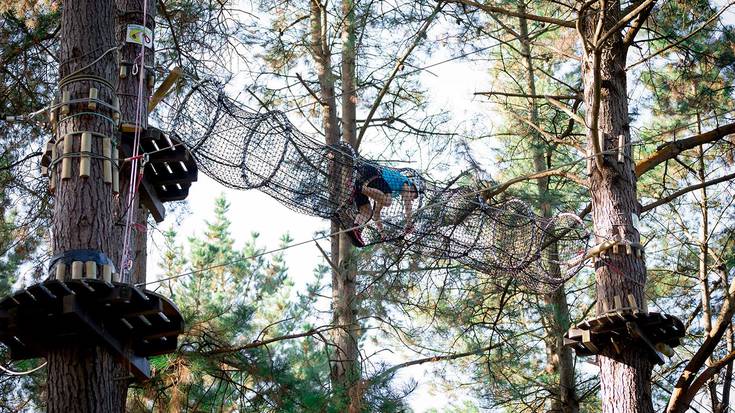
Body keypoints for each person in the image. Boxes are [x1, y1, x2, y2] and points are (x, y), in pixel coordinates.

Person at [348, 162, 418, 246]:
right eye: (413, 196)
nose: (411, 199)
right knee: (388, 201)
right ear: (413, 188)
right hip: (374, 174)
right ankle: (358, 188)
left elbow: (376, 213)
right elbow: (408, 205)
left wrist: (382, 232)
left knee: (367, 212)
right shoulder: (406, 183)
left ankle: (355, 229)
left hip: (365, 180)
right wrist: (409, 224)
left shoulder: (387, 190)